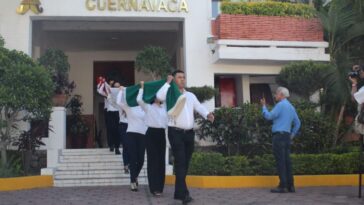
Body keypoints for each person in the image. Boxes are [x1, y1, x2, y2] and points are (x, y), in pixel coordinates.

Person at [157, 70, 214, 204]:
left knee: (184, 163)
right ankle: (184, 194)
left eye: (183, 77)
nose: (182, 79)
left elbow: (199, 107)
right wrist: (167, 83)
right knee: (181, 162)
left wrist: (207, 115)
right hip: (175, 132)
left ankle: (178, 192)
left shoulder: (190, 95)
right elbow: (159, 97)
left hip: (189, 134)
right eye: (179, 77)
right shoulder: (170, 93)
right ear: (174, 79)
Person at [260, 87, 301, 193]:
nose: (275, 95)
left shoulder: (280, 105)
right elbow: (298, 123)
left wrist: (264, 107)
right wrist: (292, 135)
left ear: (282, 95)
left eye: (277, 94)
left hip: (278, 136)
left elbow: (269, 116)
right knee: (287, 161)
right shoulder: (291, 107)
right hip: (287, 136)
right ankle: (291, 186)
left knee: (280, 162)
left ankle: (282, 186)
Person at [137, 81, 168, 197]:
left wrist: (168, 84)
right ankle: (154, 188)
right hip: (151, 134)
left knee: (161, 161)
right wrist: (142, 87)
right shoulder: (148, 107)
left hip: (161, 134)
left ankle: (160, 187)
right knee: (153, 161)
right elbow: (139, 100)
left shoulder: (165, 107)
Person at [117, 86, 147, 192]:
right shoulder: (129, 107)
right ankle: (133, 181)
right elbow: (118, 102)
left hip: (142, 135)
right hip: (131, 135)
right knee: (133, 159)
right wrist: (120, 91)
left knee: (141, 160)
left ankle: (134, 176)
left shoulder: (144, 107)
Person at [97, 77, 121, 154]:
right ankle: (111, 145)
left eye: (119, 87)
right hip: (109, 112)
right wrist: (104, 83)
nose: (117, 88)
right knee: (110, 129)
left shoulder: (121, 93)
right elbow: (100, 91)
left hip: (118, 113)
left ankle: (117, 147)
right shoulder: (108, 93)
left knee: (117, 130)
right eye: (116, 87)